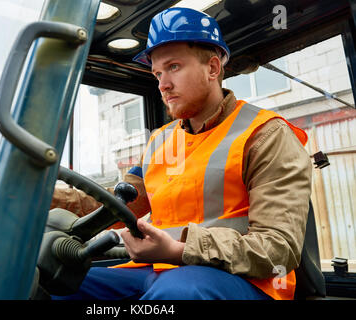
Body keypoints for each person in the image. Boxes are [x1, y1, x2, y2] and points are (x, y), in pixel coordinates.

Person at [51, 7, 312, 300]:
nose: (162, 84)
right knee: (55, 282)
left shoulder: (265, 134)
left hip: (244, 280)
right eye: (158, 73)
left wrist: (180, 249)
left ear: (213, 68)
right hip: (159, 268)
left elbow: (278, 248)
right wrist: (41, 196)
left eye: (173, 67)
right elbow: (116, 205)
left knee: (178, 294)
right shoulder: (162, 142)